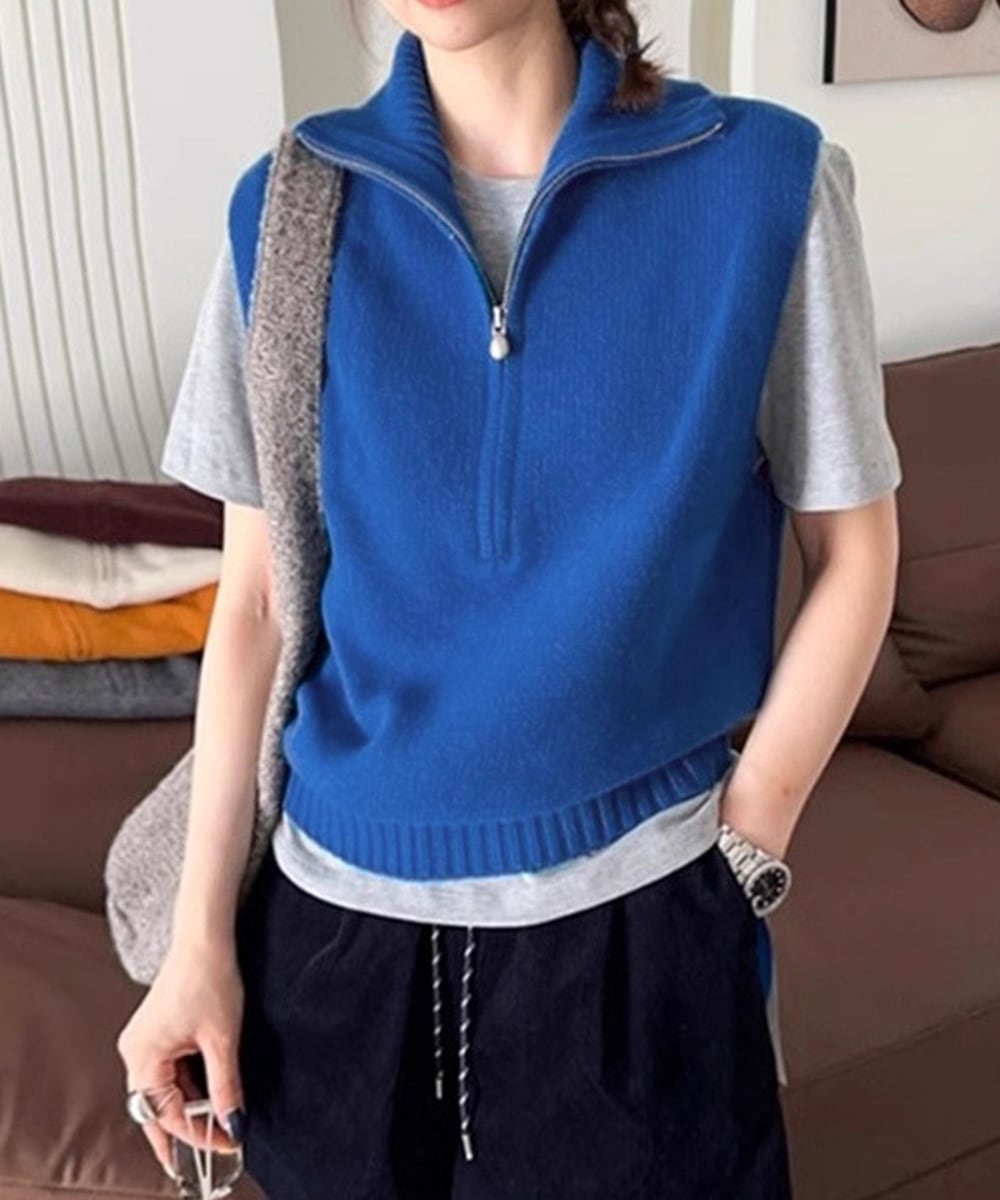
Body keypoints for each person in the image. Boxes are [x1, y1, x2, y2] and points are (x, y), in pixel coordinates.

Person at [114, 1, 903, 1197]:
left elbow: (853, 547)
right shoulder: (284, 210)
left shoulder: (765, 181)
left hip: (640, 928)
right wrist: (198, 943)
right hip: (326, 947)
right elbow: (259, 603)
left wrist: (747, 844)